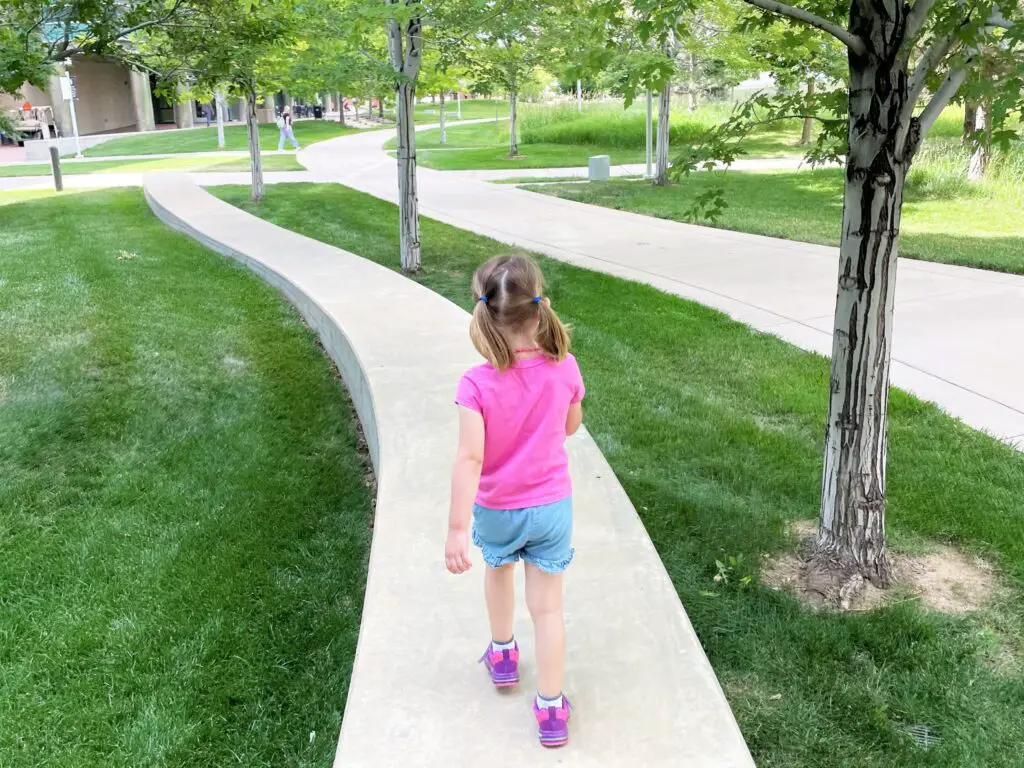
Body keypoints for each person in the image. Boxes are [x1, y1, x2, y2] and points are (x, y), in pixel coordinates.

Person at [445, 254, 585, 749]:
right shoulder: (564, 366)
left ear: (485, 316)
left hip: (498, 509)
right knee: (548, 609)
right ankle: (551, 708)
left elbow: (469, 458)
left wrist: (458, 528)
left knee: (498, 570)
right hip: (551, 509)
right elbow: (570, 426)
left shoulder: (475, 384)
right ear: (538, 306)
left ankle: (503, 656)